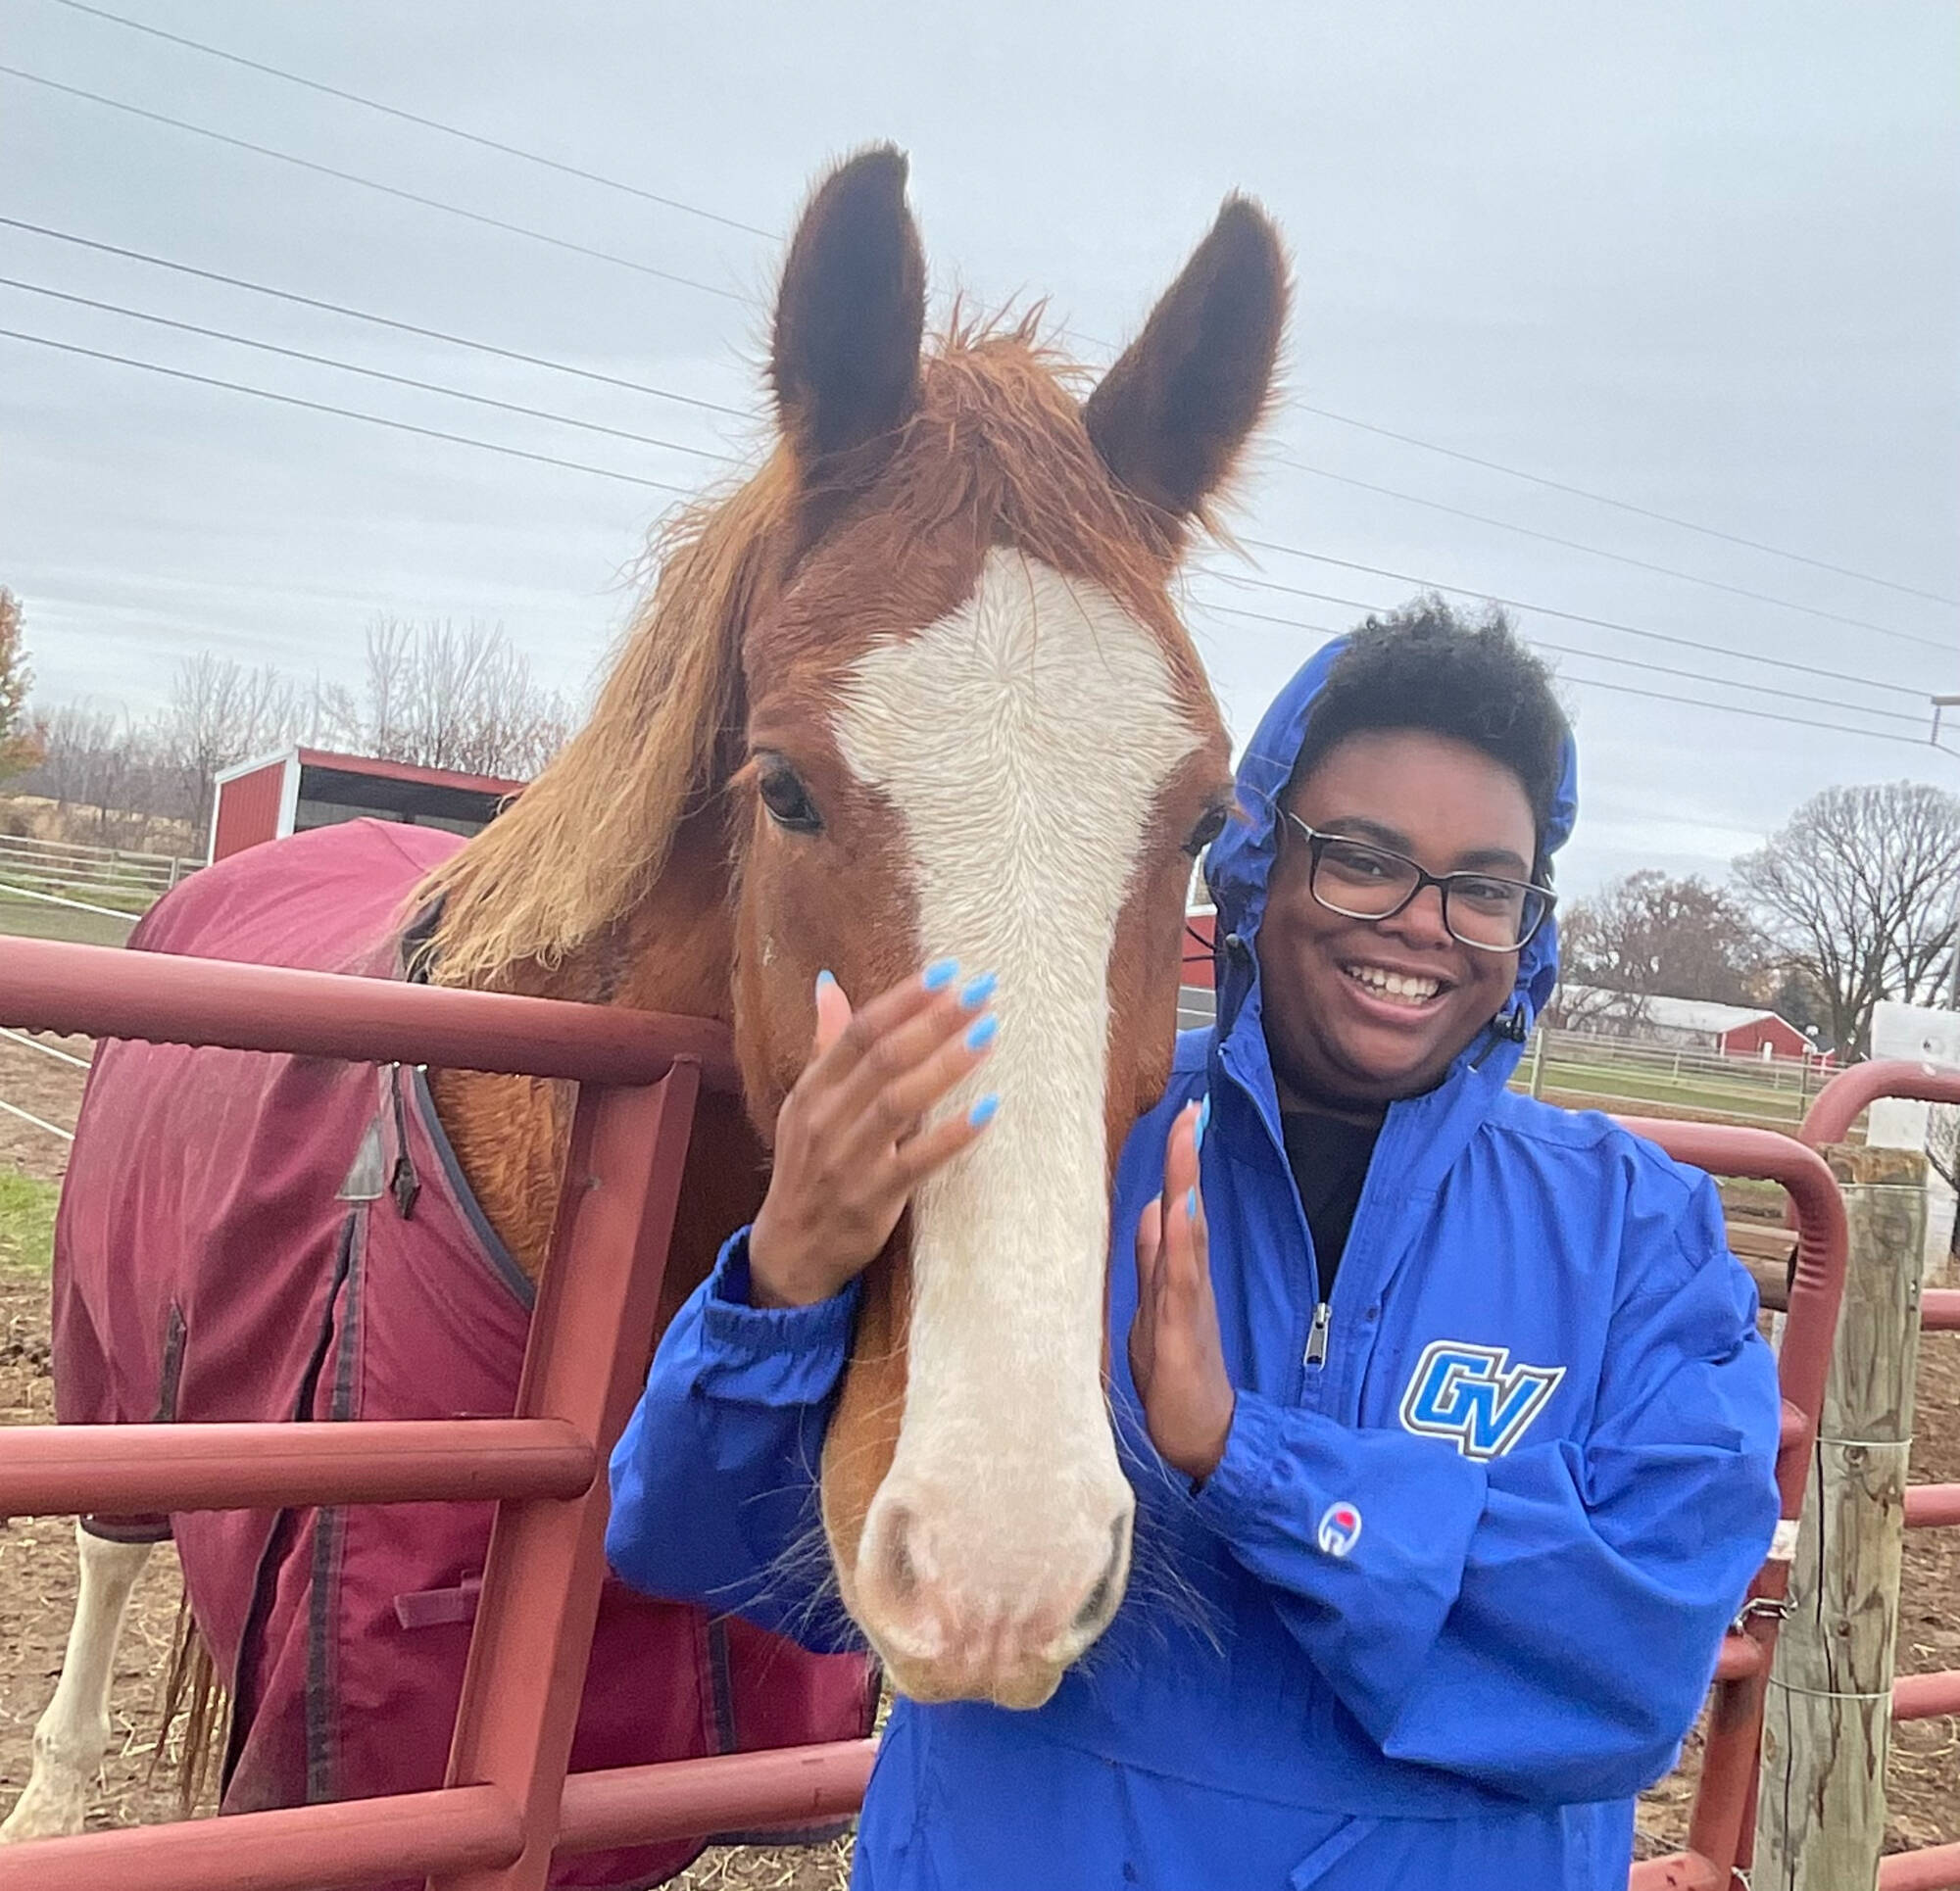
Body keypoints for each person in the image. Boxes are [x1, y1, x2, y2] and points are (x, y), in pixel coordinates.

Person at [607, 602, 1783, 1890]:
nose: (1422, 920)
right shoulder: (1039, 1138)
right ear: (1255, 865)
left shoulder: (1633, 1232)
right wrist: (791, 1274)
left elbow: (1637, 1657)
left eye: (1482, 887)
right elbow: (708, 1546)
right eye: (1363, 857)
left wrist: (1248, 1458)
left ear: (1529, 923)